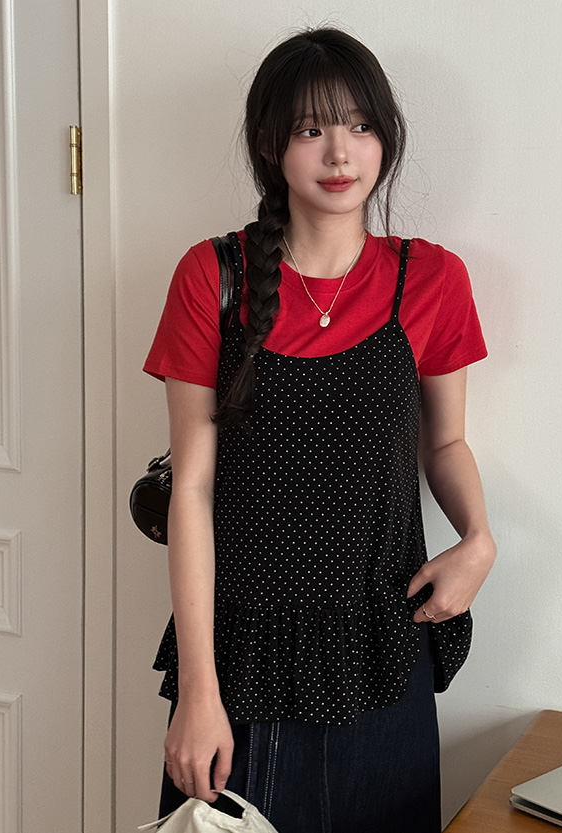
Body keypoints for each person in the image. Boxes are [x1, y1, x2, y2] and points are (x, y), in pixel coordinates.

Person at [143, 26, 496, 833]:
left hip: (382, 650)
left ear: (385, 137)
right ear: (271, 145)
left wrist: (478, 540)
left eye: (360, 126)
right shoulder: (212, 276)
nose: (340, 152)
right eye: (311, 129)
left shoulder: (431, 278)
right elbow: (191, 489)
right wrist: (199, 690)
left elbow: (444, 443)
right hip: (243, 662)